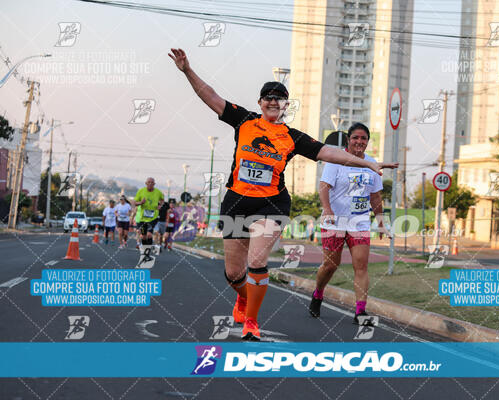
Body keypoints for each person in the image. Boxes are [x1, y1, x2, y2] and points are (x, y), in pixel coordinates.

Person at [169, 48, 397, 341]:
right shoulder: (244, 120)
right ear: (260, 103)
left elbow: (332, 153)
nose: (273, 101)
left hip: (271, 204)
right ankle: (242, 297)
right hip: (236, 201)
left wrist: (367, 162)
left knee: (257, 262)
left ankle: (251, 322)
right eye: (269, 97)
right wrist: (187, 70)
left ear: (286, 105)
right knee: (233, 273)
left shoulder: (292, 137)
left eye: (279, 98)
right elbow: (210, 96)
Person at [309, 123, 391, 324]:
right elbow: (323, 187)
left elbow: (375, 197)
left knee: (361, 266)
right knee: (330, 265)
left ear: (367, 142)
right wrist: (327, 209)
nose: (359, 142)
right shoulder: (335, 161)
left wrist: (380, 221)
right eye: (355, 138)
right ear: (348, 140)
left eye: (363, 138)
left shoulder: (371, 164)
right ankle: (318, 293)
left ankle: (360, 311)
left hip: (360, 222)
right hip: (334, 222)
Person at [133, 177, 164, 247]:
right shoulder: (141, 191)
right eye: (149, 182)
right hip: (143, 218)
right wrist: (141, 202)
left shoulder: (158, 192)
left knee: (149, 234)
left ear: (154, 184)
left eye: (152, 182)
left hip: (153, 217)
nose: (150, 184)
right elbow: (134, 203)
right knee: (143, 236)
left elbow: (162, 200)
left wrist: (160, 205)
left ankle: (148, 249)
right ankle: (145, 249)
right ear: (146, 183)